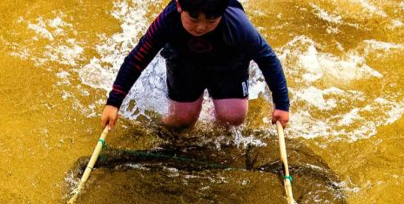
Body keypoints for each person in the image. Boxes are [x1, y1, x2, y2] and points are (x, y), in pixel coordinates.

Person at [101, 0, 290, 130]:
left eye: (211, 20)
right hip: (184, 61)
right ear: (179, 6)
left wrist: (281, 105)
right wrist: (113, 102)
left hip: (228, 62)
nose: (201, 27)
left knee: (232, 119)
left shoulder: (238, 25)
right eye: (193, 19)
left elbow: (268, 59)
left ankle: (214, 109)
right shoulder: (168, 21)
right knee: (182, 121)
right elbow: (137, 59)